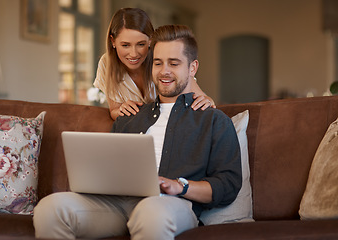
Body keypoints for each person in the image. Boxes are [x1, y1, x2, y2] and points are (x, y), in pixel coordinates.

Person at [33, 24, 242, 240]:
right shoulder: (130, 117)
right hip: (116, 205)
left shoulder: (213, 120)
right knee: (50, 208)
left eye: (174, 63)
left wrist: (179, 186)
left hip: (171, 205)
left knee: (150, 212)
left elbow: (228, 184)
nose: (164, 71)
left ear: (192, 68)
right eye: (158, 63)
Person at [93, 8, 215, 120]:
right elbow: (114, 110)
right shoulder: (106, 64)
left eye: (141, 44)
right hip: (138, 130)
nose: (134, 54)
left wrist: (207, 101)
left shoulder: (161, 59)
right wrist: (122, 110)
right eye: (125, 45)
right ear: (113, 41)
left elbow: (201, 98)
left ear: (150, 40)